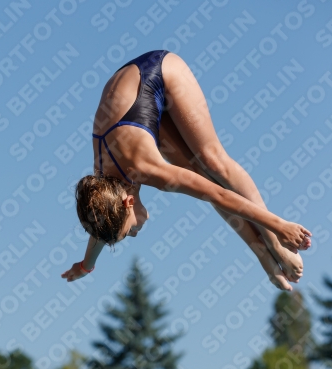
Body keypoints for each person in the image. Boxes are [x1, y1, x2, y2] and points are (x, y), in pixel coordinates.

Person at [61, 50, 311, 290]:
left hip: (160, 71)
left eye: (128, 232)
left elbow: (219, 194)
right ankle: (264, 258)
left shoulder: (146, 169)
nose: (134, 234)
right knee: (199, 180)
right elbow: (100, 222)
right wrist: (86, 266)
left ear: (127, 202)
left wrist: (280, 226)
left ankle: (273, 246)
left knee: (214, 164)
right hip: (134, 103)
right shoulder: (104, 191)